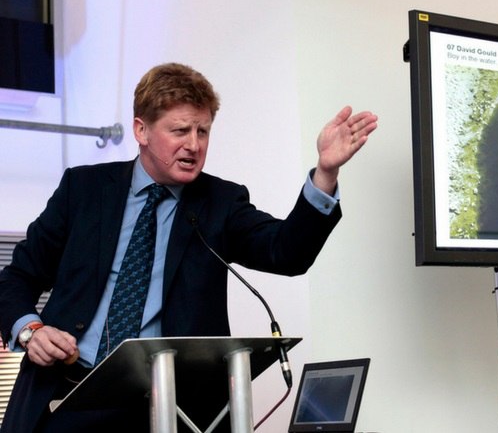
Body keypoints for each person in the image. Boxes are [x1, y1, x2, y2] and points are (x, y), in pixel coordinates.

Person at [0, 62, 378, 432]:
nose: (194, 145)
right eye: (180, 130)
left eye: (203, 131)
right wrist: (31, 331)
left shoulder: (220, 202)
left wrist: (325, 173)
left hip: (175, 407)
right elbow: (16, 277)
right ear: (141, 130)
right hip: (68, 396)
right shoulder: (82, 190)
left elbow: (287, 252)